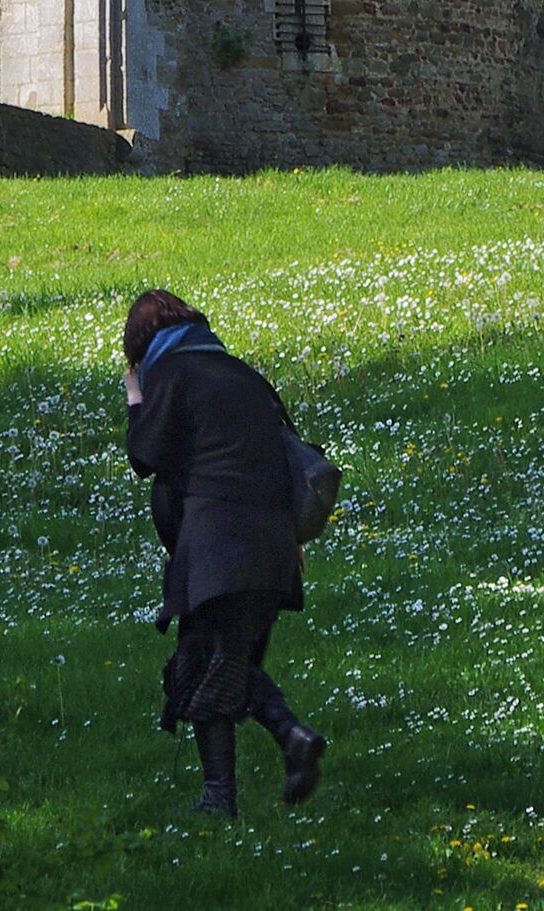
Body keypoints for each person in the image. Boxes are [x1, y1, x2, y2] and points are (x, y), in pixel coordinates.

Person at [119, 288, 325, 817]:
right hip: (272, 547)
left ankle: (269, 756)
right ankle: (228, 791)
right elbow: (290, 458)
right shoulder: (246, 377)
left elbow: (144, 454)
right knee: (221, 664)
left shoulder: (171, 375)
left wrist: (135, 395)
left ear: (142, 347)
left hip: (217, 549)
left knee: (204, 664)